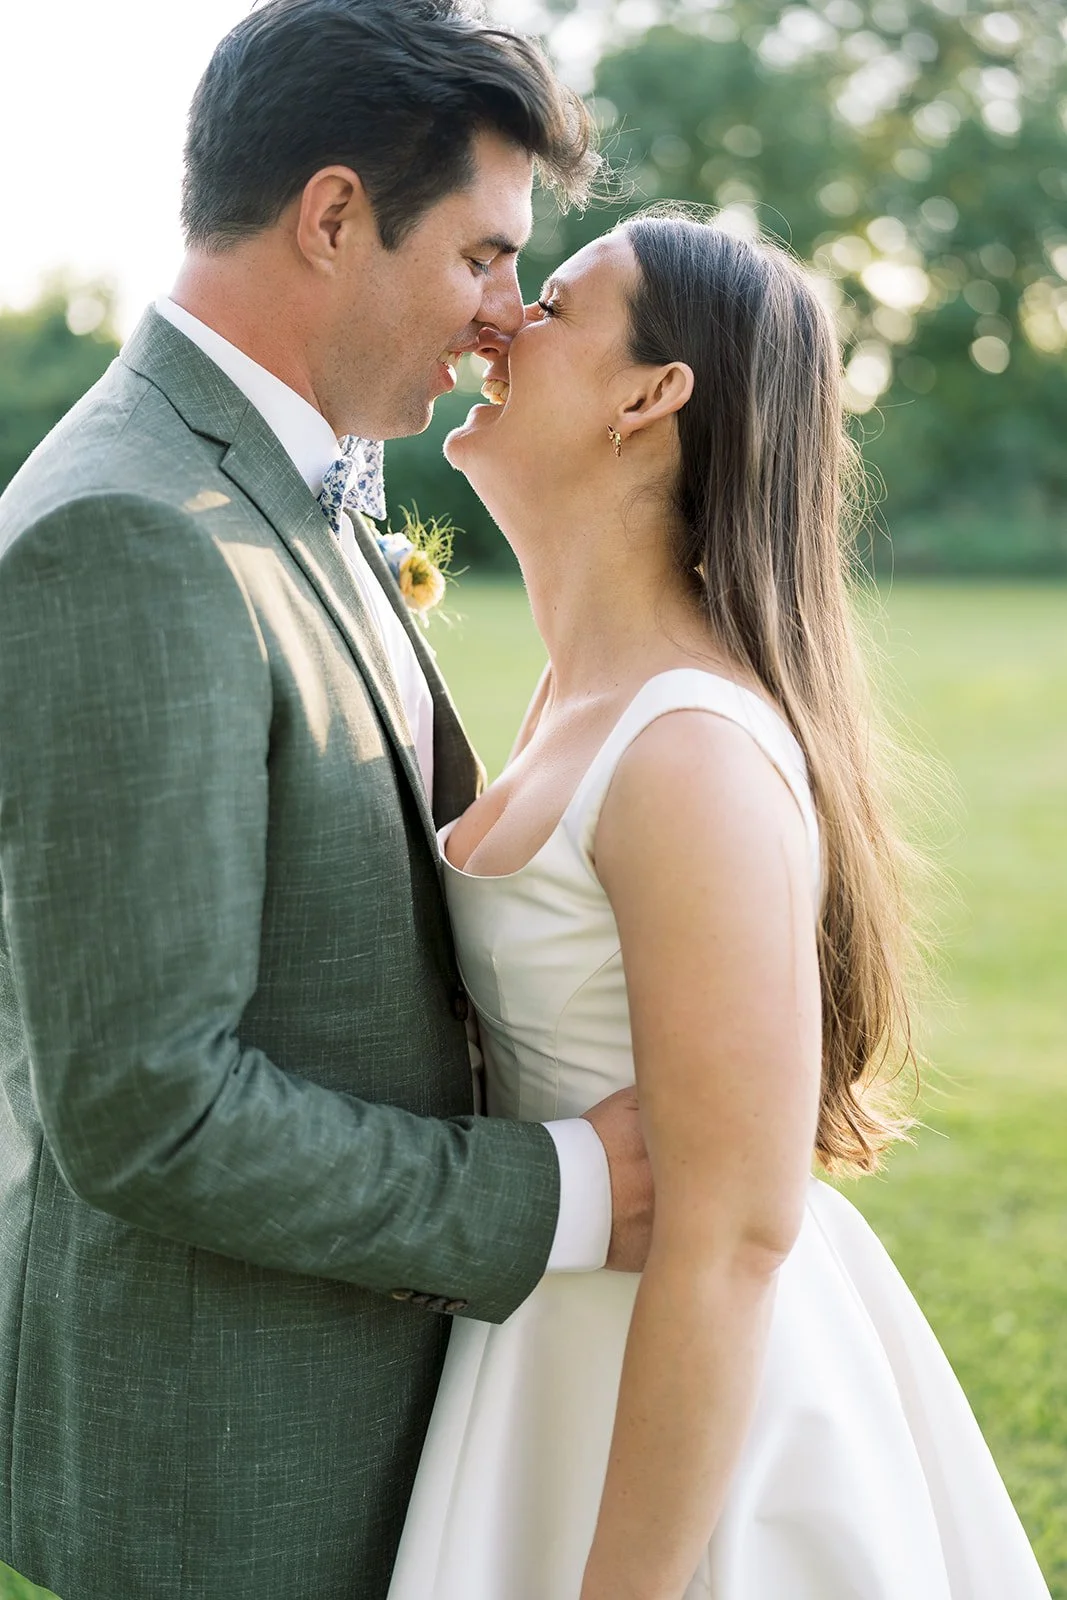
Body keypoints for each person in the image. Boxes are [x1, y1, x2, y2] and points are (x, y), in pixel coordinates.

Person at [0, 4, 655, 1597]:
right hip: (236, 1465)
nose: (503, 318)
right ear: (336, 214)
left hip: (362, 1405)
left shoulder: (278, 478)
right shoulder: (132, 532)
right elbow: (151, 1106)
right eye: (484, 257)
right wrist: (567, 1189)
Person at [384, 214, 1052, 1599]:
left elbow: (736, 1237)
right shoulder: (580, 697)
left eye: (555, 303)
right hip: (548, 1339)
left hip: (676, 1413)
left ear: (650, 394)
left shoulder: (684, 748)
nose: (501, 323)